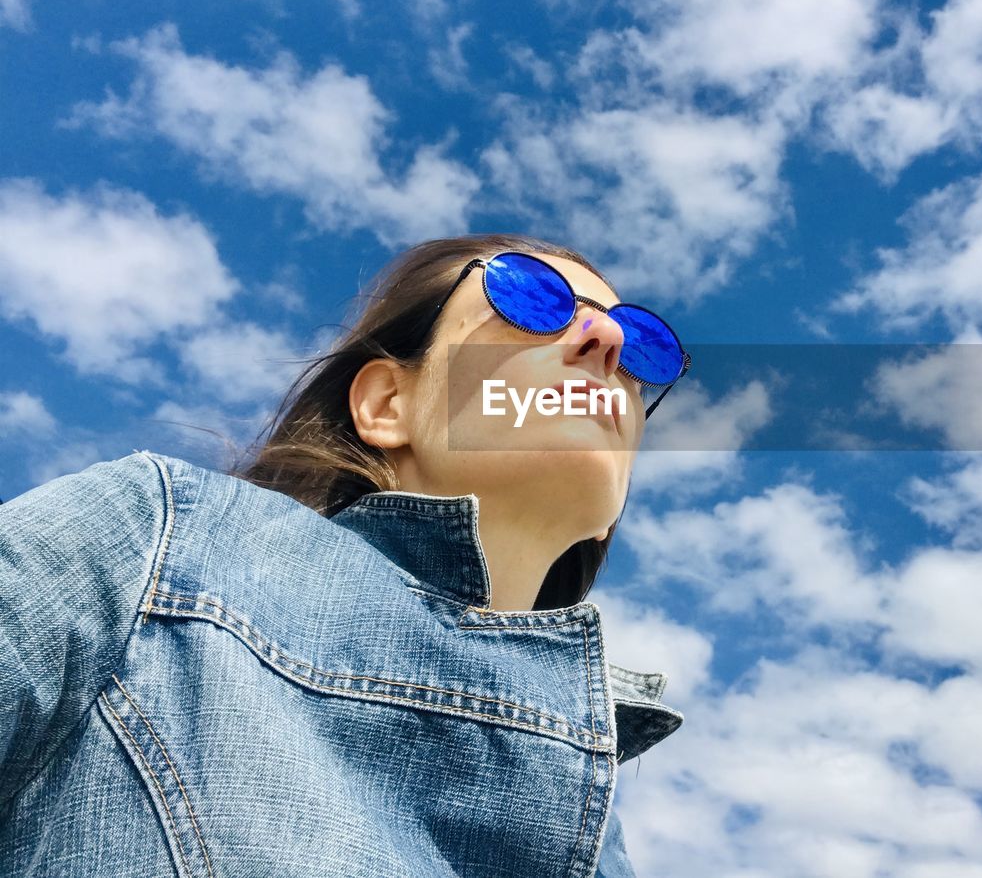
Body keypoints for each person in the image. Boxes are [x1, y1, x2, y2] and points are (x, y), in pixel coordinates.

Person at [0, 234, 691, 877]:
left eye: (642, 350)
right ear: (387, 403)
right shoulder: (156, 538)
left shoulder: (602, 839)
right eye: (532, 298)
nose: (605, 338)